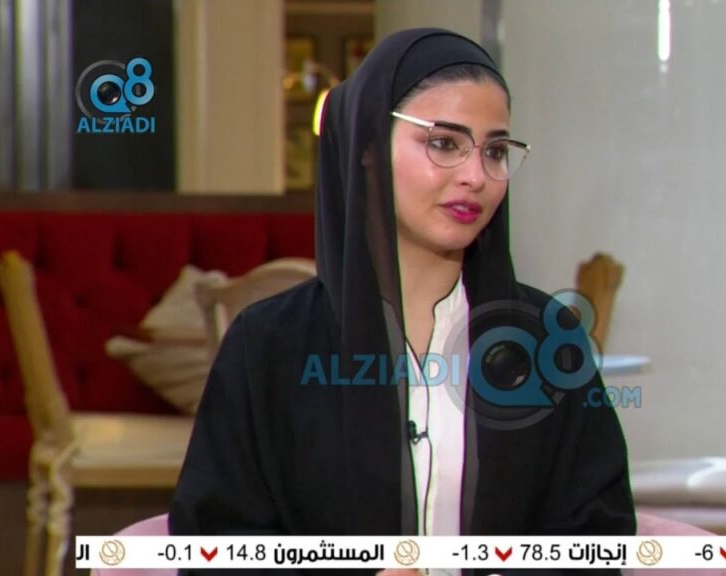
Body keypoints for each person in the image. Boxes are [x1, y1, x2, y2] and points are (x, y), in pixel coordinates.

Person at [169, 27, 635, 575]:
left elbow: (595, 538)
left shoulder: (546, 341)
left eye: (495, 151)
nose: (476, 176)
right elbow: (214, 546)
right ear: (368, 148)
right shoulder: (267, 345)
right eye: (445, 143)